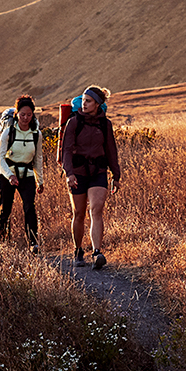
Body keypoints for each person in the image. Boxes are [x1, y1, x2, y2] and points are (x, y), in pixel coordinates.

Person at [61, 86, 121, 269]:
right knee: (78, 213)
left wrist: (116, 175)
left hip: (98, 172)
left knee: (96, 210)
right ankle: (78, 250)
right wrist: (69, 173)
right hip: (77, 172)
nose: (84, 104)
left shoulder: (105, 124)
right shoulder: (74, 121)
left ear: (97, 104)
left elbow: (111, 151)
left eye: (88, 101)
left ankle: (97, 252)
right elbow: (66, 150)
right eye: (84, 100)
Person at [0, 95, 44, 253]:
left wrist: (40, 181)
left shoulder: (36, 134)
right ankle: (4, 241)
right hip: (7, 175)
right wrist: (9, 175)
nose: (25, 118)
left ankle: (33, 243)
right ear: (16, 114)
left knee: (30, 208)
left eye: (29, 115)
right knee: (6, 209)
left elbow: (38, 158)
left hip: (27, 175)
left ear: (33, 115)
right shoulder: (8, 132)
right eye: (22, 114)